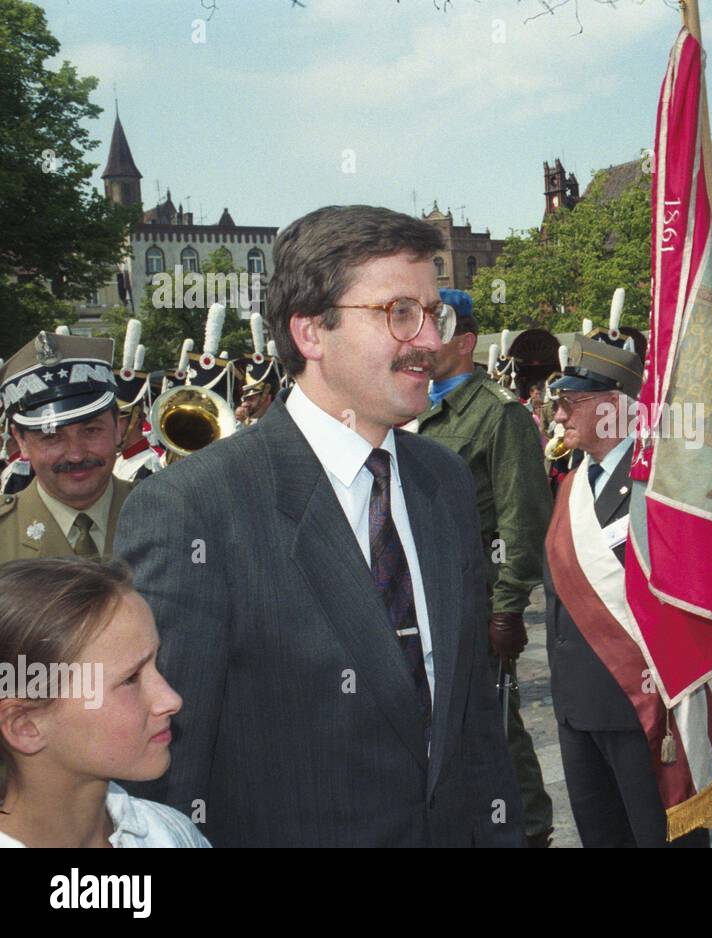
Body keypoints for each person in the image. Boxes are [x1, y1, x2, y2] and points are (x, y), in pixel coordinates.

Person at [113, 204, 523, 846]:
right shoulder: (194, 508)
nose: (432, 341)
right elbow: (164, 770)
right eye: (399, 314)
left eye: (433, 314)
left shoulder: (440, 480)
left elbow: (471, 718)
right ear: (310, 333)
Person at [542, 335, 712, 848]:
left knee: (658, 834)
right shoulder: (572, 482)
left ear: (614, 408)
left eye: (571, 403)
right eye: (558, 403)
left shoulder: (660, 478)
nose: (558, 416)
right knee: (603, 834)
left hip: (639, 697)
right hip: (577, 700)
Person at [417, 287, 555, 848]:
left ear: (467, 342)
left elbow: (523, 519)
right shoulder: (410, 407)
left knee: (495, 724)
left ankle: (530, 829)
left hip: (476, 596)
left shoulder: (499, 415)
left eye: (439, 331)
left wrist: (509, 607)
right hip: (420, 597)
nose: (424, 343)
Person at [0, 557, 208, 848]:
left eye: (155, 663)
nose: (171, 700)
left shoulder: (170, 834)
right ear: (26, 726)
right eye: (130, 679)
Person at [0, 333, 132, 563]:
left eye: (91, 431)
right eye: (51, 437)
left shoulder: (169, 514)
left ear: (118, 428)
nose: (76, 454)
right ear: (21, 442)